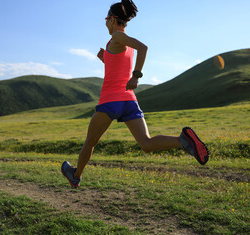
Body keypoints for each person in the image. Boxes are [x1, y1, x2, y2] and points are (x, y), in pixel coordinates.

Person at [62, 0, 209, 188]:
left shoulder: (117, 36)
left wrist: (136, 76)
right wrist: (105, 58)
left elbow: (144, 47)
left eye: (106, 20)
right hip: (129, 101)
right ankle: (183, 142)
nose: (105, 24)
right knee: (146, 144)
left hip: (111, 101)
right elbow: (118, 67)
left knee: (90, 142)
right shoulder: (119, 42)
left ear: (114, 19)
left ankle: (75, 175)